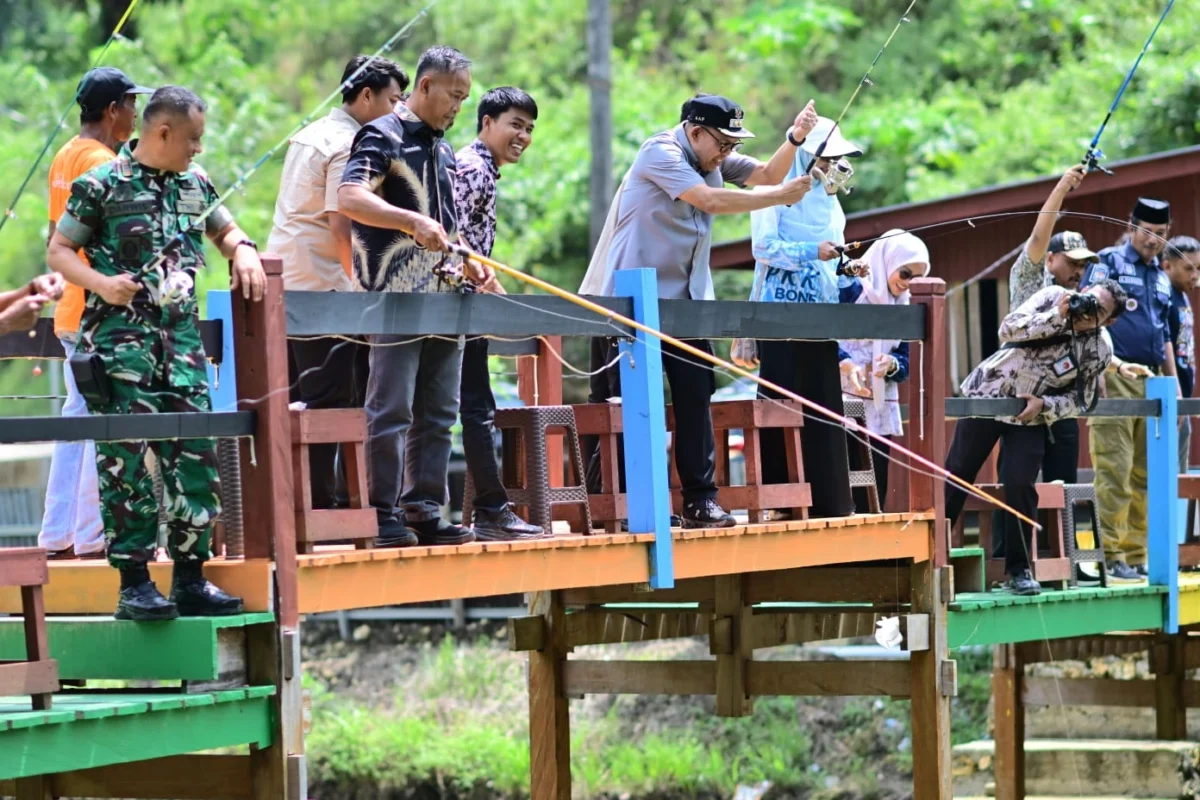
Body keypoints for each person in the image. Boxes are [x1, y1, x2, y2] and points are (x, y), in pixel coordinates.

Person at [46, 86, 267, 621]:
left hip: (181, 346)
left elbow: (226, 228)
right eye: (192, 139)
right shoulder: (100, 185)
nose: (197, 149)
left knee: (194, 455)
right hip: (121, 346)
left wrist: (244, 251)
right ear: (162, 132)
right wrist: (101, 283)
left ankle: (191, 578)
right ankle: (135, 582)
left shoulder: (196, 184)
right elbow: (58, 251)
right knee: (125, 465)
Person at [579, 93, 817, 528]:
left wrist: (795, 138)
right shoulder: (660, 151)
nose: (728, 154)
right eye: (723, 144)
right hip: (626, 302)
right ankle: (616, 505)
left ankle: (700, 502)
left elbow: (765, 174)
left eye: (733, 146)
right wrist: (779, 196)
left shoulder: (712, 160)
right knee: (621, 402)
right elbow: (710, 201)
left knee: (695, 397)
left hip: (684, 304)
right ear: (695, 132)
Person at [338, 46, 493, 548]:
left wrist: (471, 259)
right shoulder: (380, 134)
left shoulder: (444, 149)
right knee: (392, 410)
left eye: (465, 99)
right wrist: (408, 220)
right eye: (453, 95)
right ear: (424, 87)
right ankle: (381, 514)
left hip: (446, 293)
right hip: (396, 294)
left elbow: (446, 224)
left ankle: (424, 507)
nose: (457, 107)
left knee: (439, 410)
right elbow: (350, 196)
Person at [267, 55, 407, 510]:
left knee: (292, 401)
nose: (398, 110)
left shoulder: (308, 133)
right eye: (392, 99)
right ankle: (324, 510)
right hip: (325, 289)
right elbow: (341, 224)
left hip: (285, 286)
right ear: (366, 96)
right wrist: (364, 290)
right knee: (331, 401)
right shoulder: (349, 144)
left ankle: (291, 508)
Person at [946, 279, 1128, 595]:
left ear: (1109, 321)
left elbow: (1081, 400)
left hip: (1030, 415)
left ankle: (1019, 569)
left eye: (1097, 310)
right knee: (958, 473)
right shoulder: (1053, 297)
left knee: (1020, 485)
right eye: (1087, 299)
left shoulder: (1100, 349)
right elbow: (1008, 330)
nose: (1086, 310)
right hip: (988, 393)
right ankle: (932, 554)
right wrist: (1056, 316)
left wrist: (1045, 405)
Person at [38, 67, 154, 561]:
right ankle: (90, 535)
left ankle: (56, 535)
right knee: (98, 425)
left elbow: (54, 237)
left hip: (70, 310)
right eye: (131, 105)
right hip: (94, 315)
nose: (135, 114)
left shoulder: (66, 154)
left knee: (75, 423)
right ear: (113, 111)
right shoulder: (101, 161)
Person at [746, 117, 862, 518]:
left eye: (838, 158)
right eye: (828, 157)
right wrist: (814, 251)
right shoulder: (772, 188)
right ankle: (780, 502)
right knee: (780, 399)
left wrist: (849, 268)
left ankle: (831, 501)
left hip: (822, 319)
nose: (835, 165)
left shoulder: (832, 203)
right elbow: (764, 248)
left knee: (825, 405)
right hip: (778, 316)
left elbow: (835, 255)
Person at [451, 86, 543, 540]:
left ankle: (490, 509)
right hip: (454, 305)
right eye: (515, 125)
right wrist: (479, 274)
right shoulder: (473, 168)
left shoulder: (480, 167)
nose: (523, 136)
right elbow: (449, 234)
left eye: (528, 129)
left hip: (465, 300)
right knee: (476, 409)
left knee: (473, 407)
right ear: (487, 122)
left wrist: (487, 275)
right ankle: (491, 511)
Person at [1081, 198, 1174, 582]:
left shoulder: (1162, 275)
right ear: (1132, 226)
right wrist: (1099, 365)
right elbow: (1087, 314)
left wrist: (1175, 387)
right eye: (1149, 232)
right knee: (1114, 468)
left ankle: (1135, 555)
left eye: (1163, 235)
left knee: (1144, 473)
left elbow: (1166, 333)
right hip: (1117, 373)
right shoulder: (1110, 263)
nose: (1155, 241)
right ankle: (1110, 555)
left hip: (1154, 379)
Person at [837, 230, 929, 512]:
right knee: (841, 472)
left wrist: (892, 365)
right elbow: (823, 335)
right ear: (888, 261)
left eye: (916, 278)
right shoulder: (851, 288)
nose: (908, 283)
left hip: (879, 404)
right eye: (904, 273)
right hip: (840, 396)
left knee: (875, 479)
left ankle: (871, 538)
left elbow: (908, 357)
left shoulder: (904, 305)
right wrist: (845, 361)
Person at [1164, 236, 1199, 471]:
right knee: (1167, 473)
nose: (1195, 275)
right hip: (1168, 398)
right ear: (1167, 266)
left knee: (1181, 475)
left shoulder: (1183, 295)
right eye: (1188, 268)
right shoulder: (1163, 297)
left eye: (1198, 268)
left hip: (1183, 397)